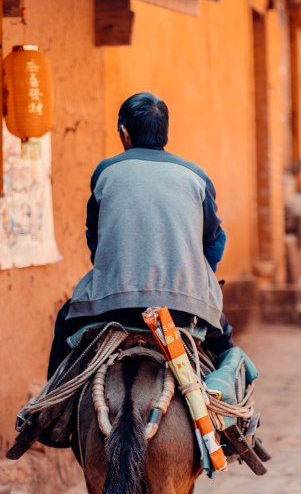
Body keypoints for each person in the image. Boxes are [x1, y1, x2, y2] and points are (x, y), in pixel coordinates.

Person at [48, 91, 234, 377]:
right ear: (165, 133)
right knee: (227, 349)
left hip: (113, 308)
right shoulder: (196, 176)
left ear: (124, 132)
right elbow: (214, 241)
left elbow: (95, 240)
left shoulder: (106, 172)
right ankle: (235, 419)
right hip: (185, 311)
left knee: (64, 325)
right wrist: (194, 272)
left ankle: (45, 415)